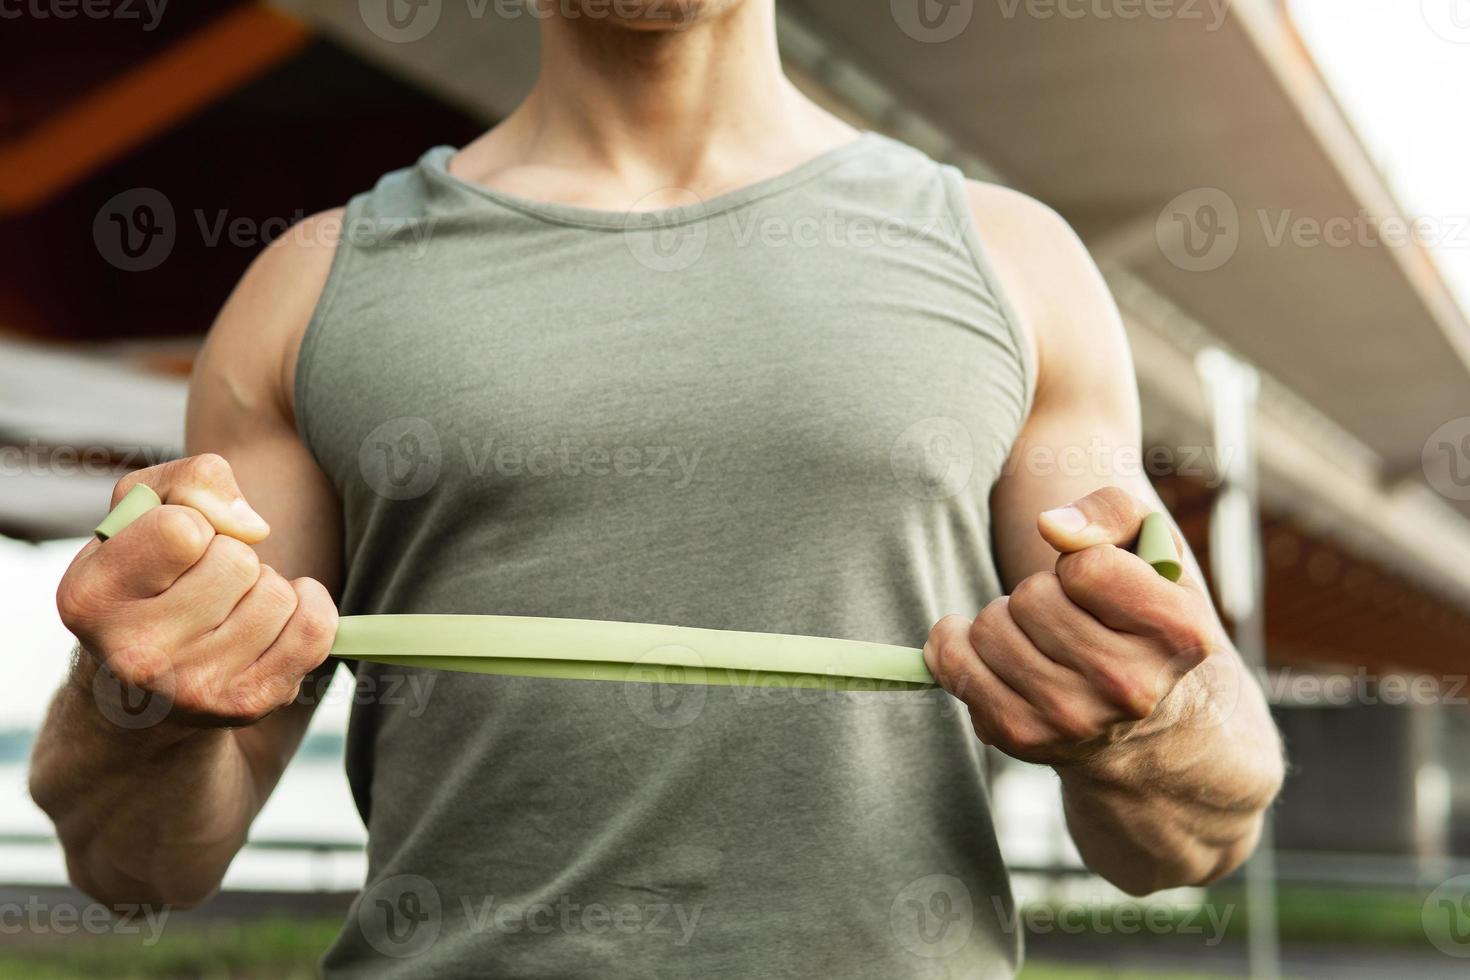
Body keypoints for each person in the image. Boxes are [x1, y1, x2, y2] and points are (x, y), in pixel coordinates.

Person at [29, 0, 1284, 975]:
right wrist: (126, 698)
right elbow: (139, 862)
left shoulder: (1017, 262)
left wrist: (1148, 726)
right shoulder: (307, 288)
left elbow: (1195, 834)